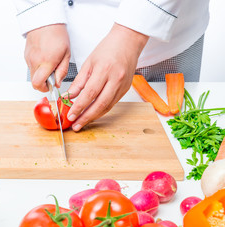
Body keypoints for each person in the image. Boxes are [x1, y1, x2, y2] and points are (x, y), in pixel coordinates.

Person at [13, 0, 210, 131]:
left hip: (159, 40)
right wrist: (40, 16)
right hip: (53, 40)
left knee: (171, 131)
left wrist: (132, 32)